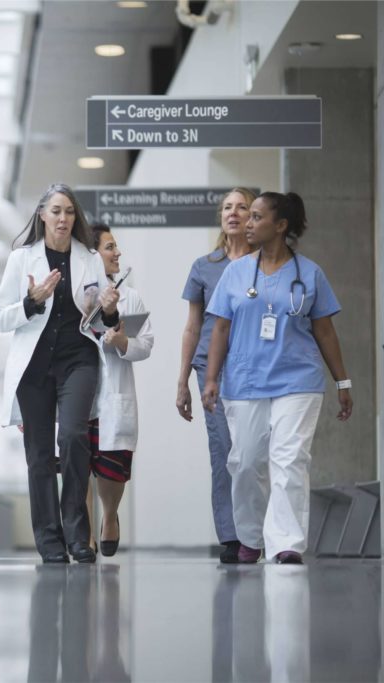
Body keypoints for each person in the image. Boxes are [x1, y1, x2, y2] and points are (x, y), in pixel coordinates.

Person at [201, 191, 353, 564]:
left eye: (256, 217)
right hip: (246, 381)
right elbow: (219, 328)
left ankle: (286, 543)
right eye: (248, 217)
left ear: (280, 226)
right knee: (247, 462)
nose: (247, 224)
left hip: (297, 381)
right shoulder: (236, 272)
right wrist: (210, 379)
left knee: (290, 460)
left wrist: (342, 382)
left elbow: (325, 331)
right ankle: (250, 537)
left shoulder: (310, 273)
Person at [0, 183, 120, 564]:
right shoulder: (21, 259)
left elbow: (101, 318)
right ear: (42, 216)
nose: (63, 218)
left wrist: (110, 310)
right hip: (33, 367)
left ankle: (78, 536)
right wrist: (31, 303)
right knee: (39, 455)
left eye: (69, 212)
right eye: (56, 211)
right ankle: (50, 540)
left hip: (77, 359)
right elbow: (0, 316)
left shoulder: (89, 258)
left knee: (74, 436)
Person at [176, 187, 256, 563]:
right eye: (227, 208)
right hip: (210, 367)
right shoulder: (204, 266)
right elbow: (193, 325)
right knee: (223, 450)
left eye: (242, 207)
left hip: (256, 366)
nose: (233, 213)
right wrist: (181, 380)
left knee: (253, 452)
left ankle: (256, 531)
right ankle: (231, 536)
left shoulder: (266, 264)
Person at [86, 224, 153, 557]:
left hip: (113, 393)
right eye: (110, 247)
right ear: (92, 254)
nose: (118, 253)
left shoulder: (131, 297)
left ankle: (109, 515)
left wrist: (123, 341)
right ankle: (83, 531)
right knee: (76, 463)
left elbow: (145, 344)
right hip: (81, 391)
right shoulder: (75, 294)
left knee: (113, 465)